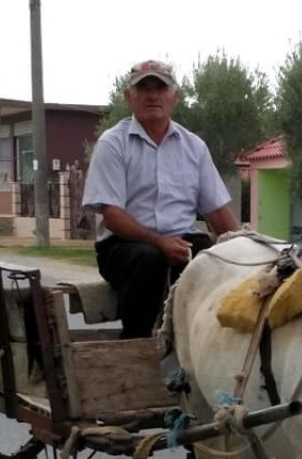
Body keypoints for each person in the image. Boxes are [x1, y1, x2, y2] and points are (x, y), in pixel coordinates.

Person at [82, 60, 240, 339]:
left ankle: (206, 347)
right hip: (124, 247)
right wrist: (160, 242)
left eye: (161, 87)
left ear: (173, 97)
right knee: (149, 260)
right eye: (143, 88)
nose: (152, 95)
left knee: (216, 259)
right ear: (129, 97)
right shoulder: (113, 143)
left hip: (182, 241)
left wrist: (247, 248)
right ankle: (136, 345)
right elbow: (113, 216)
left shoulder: (194, 146)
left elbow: (217, 212)